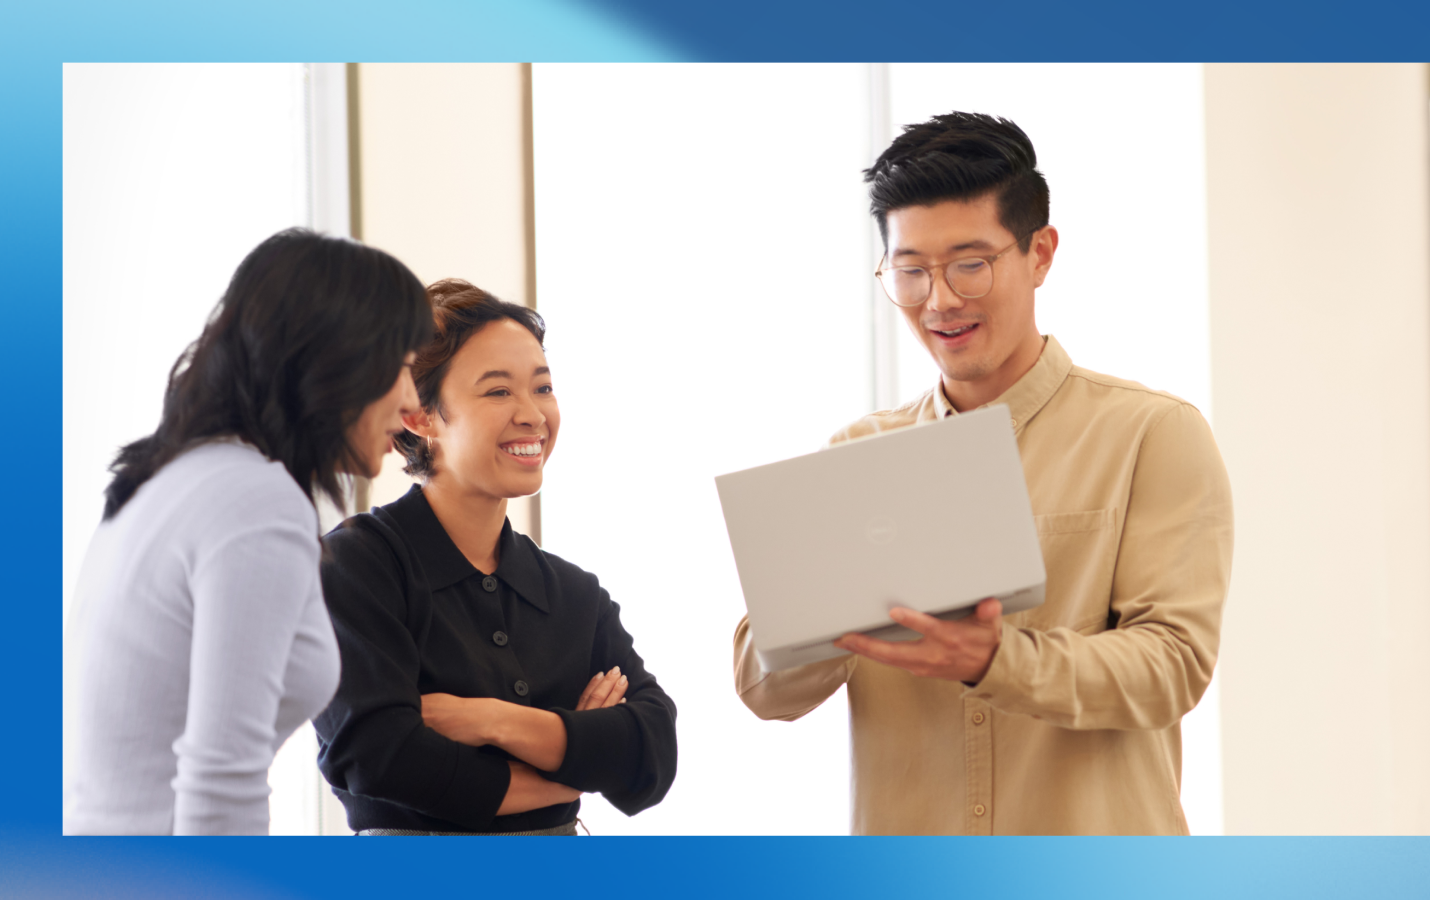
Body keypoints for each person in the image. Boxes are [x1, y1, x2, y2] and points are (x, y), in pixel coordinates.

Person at [733, 113, 1234, 835]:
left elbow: (1172, 668)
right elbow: (762, 690)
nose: (939, 300)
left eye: (970, 264)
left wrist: (1000, 658)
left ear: (1040, 253)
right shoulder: (856, 457)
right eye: (911, 271)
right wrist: (827, 617)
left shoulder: (1151, 433)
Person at [63, 229, 434, 835]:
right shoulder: (257, 502)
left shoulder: (175, 476)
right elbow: (220, 782)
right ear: (337, 358)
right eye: (401, 366)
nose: (411, 400)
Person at [315, 279, 677, 836]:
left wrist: (489, 720)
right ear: (419, 415)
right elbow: (378, 757)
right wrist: (573, 766)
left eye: (543, 387)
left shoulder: (574, 593)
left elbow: (652, 755)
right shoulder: (354, 566)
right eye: (498, 391)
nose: (533, 414)